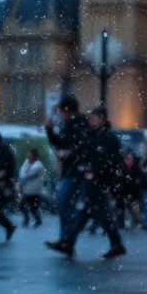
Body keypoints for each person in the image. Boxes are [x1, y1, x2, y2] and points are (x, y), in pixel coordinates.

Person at [47, 107, 126, 260]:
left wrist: (95, 171)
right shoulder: (91, 136)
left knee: (88, 212)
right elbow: (80, 151)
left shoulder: (108, 138)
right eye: (90, 118)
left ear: (102, 120)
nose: (90, 121)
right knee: (90, 213)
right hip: (92, 182)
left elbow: (112, 161)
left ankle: (69, 244)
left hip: (99, 182)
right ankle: (115, 244)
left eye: (94, 119)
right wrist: (71, 156)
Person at [44, 94, 91, 246]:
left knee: (65, 203)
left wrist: (70, 153)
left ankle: (67, 239)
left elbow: (82, 146)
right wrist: (49, 131)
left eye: (62, 111)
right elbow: (60, 144)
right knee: (66, 204)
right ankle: (67, 240)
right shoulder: (68, 124)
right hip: (70, 170)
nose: (61, 115)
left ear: (68, 110)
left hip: (76, 171)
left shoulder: (80, 124)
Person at [115, 149, 143, 229]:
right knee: (121, 207)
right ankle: (121, 223)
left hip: (132, 190)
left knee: (133, 208)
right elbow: (118, 177)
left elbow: (139, 177)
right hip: (123, 190)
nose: (128, 158)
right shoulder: (121, 166)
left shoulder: (135, 166)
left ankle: (135, 222)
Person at [18, 147, 46, 227]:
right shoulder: (29, 163)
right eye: (28, 155)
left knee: (31, 207)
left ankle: (34, 220)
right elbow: (22, 174)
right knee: (27, 206)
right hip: (28, 190)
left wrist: (25, 168)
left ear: (35, 156)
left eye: (30, 155)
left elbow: (26, 175)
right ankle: (32, 219)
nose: (28, 157)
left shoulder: (38, 166)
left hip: (33, 190)